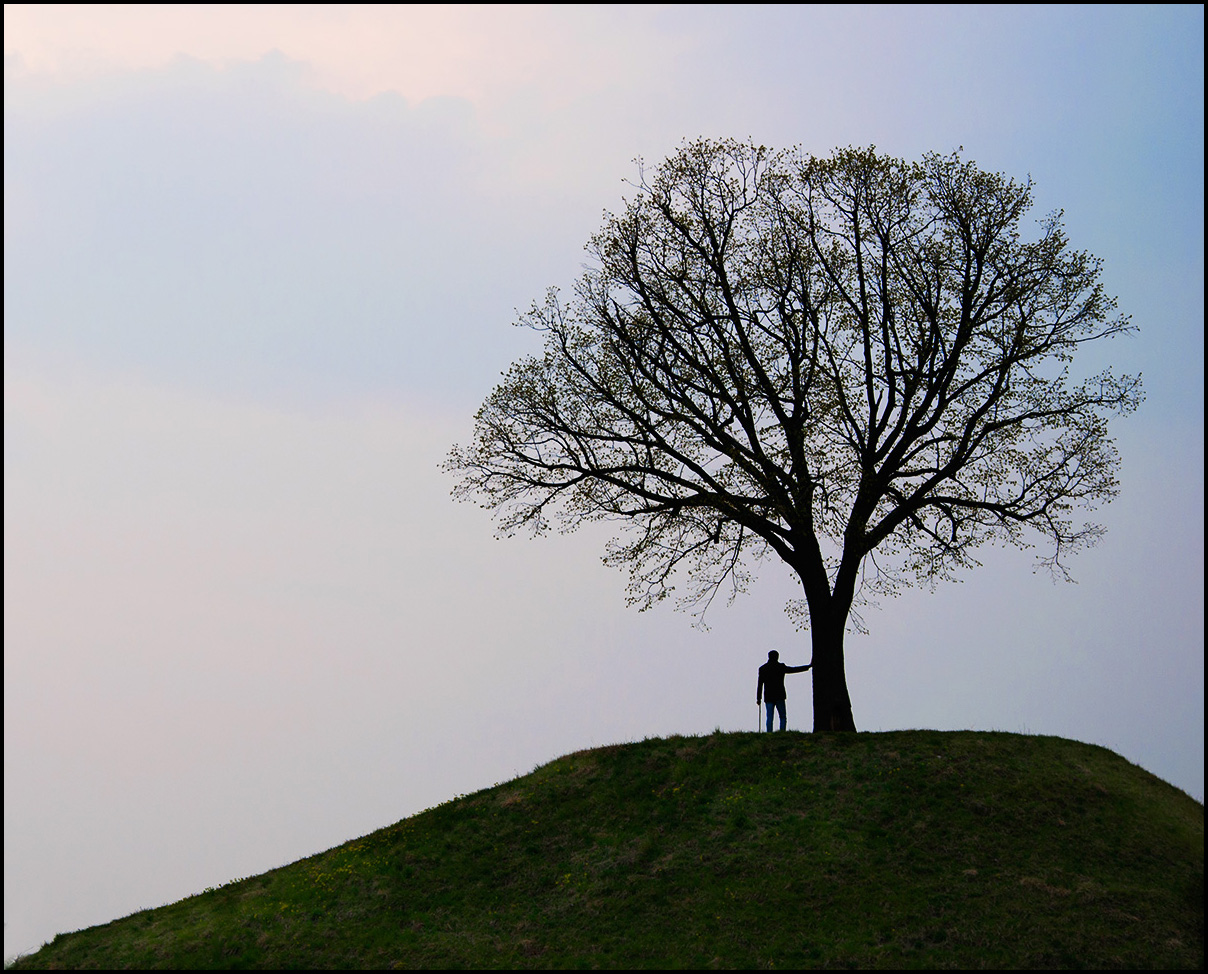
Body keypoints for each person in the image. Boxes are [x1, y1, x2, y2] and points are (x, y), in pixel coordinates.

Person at [756, 650, 811, 732]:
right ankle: (782, 732)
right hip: (780, 695)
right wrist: (807, 667)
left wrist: (758, 698)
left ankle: (769, 733)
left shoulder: (763, 669)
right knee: (782, 716)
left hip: (768, 696)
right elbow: (793, 669)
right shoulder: (781, 667)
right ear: (777, 657)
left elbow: (760, 685)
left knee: (769, 717)